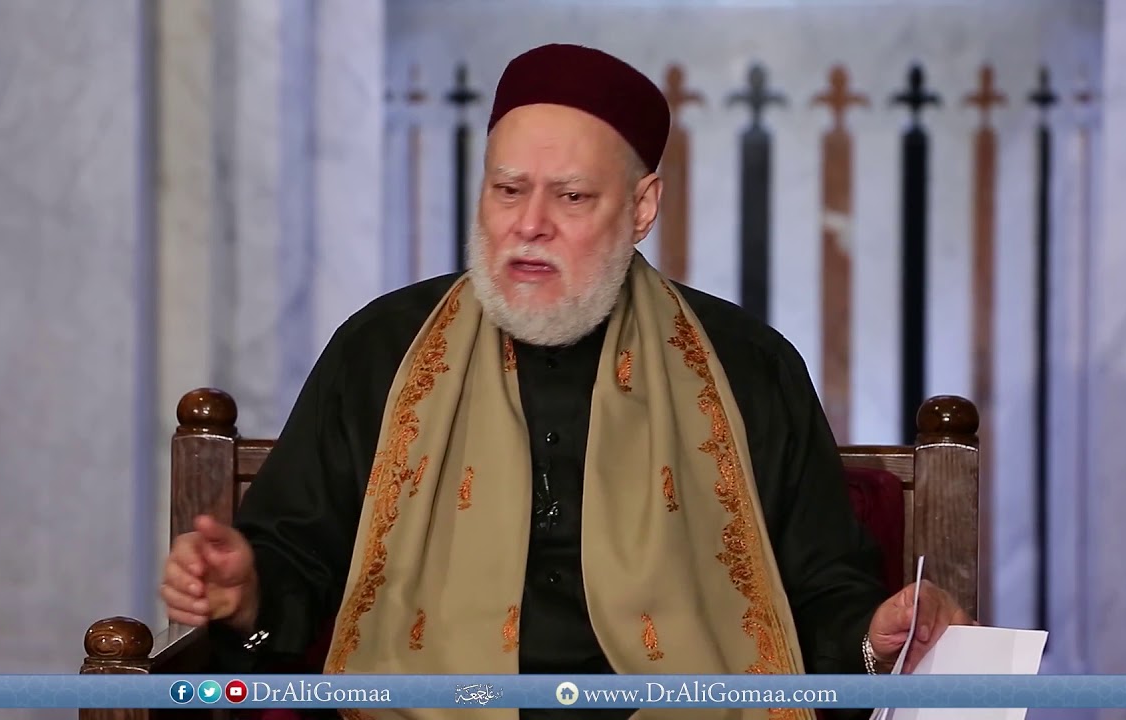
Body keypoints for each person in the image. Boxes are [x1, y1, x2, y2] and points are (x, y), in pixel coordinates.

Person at [159, 44, 972, 719]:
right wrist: (246, 593)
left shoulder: (747, 366)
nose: (529, 224)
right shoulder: (383, 350)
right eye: (507, 190)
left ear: (642, 207)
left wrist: (878, 636)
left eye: (572, 197)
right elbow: (293, 560)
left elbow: (822, 593)